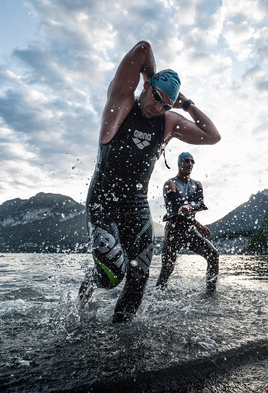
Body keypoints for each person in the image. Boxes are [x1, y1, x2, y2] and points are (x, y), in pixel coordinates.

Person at [78, 41, 221, 323]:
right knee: (111, 276)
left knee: (139, 276)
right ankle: (90, 282)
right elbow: (143, 48)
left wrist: (187, 104)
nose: (158, 107)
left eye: (165, 104)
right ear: (146, 87)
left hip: (136, 207)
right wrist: (149, 78)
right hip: (103, 202)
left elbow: (212, 135)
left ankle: (121, 340)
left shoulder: (167, 122)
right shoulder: (121, 103)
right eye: (156, 97)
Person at [156, 152, 219, 293]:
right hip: (173, 232)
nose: (190, 164)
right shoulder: (170, 184)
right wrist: (192, 217)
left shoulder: (197, 185)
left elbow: (199, 204)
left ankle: (210, 292)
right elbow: (174, 211)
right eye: (186, 161)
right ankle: (157, 297)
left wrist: (193, 217)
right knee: (167, 269)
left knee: (213, 254)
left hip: (189, 230)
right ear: (179, 164)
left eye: (192, 161)